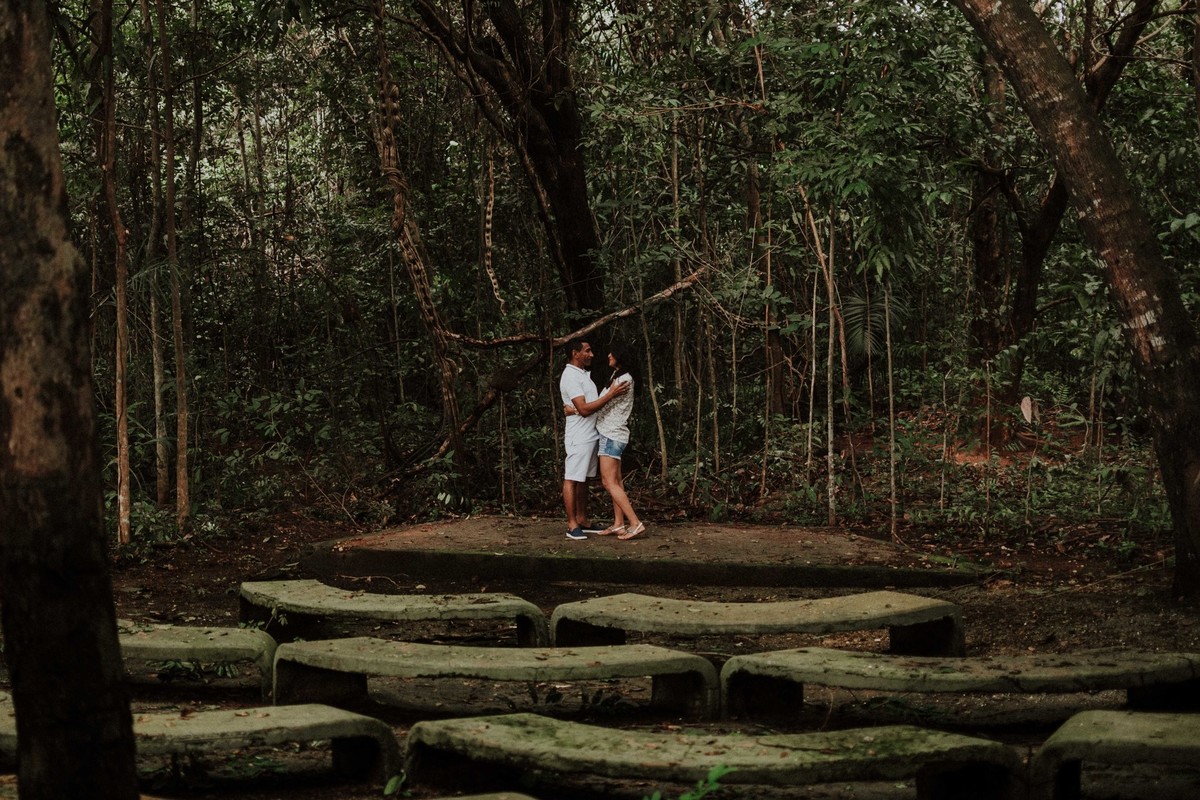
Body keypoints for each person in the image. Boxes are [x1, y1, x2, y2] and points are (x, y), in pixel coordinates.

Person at [564, 344, 644, 540]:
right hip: (612, 433)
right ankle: (619, 524)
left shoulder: (622, 380)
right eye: (587, 351)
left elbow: (601, 406)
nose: (607, 355)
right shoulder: (618, 377)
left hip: (610, 434)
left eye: (613, 353)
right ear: (575, 354)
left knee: (608, 482)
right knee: (616, 481)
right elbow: (600, 405)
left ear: (620, 356)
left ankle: (635, 523)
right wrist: (579, 409)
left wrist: (575, 410)